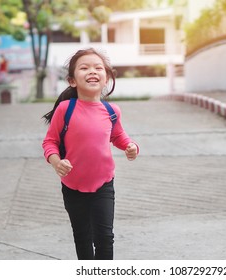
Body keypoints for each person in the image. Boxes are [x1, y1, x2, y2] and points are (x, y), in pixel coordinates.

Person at [42, 48, 139, 260]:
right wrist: (56, 162)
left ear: (106, 79)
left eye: (98, 68)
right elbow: (50, 141)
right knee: (82, 237)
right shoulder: (65, 109)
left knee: (105, 238)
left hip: (104, 184)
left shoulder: (112, 111)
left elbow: (118, 136)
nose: (92, 71)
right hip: (72, 186)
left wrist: (130, 146)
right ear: (72, 81)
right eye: (84, 68)